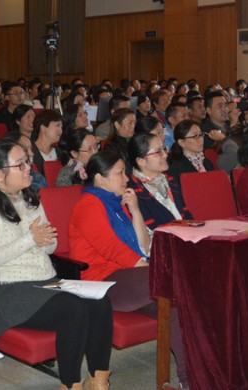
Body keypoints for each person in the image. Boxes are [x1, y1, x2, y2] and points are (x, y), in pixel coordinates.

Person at [0, 140, 113, 389]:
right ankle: (71, 384)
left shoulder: (30, 198)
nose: (28, 169)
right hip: (6, 290)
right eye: (20, 164)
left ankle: (98, 381)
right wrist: (30, 239)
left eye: (27, 162)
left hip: (43, 281)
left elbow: (50, 247)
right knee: (73, 309)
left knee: (100, 300)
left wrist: (40, 241)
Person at [68, 148, 188, 388]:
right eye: (120, 173)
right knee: (180, 283)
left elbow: (143, 245)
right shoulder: (89, 205)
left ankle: (191, 379)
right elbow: (113, 250)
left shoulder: (117, 202)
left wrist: (134, 210)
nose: (126, 179)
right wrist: (152, 270)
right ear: (100, 178)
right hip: (103, 282)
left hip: (130, 278)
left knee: (177, 310)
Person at [127, 133, 191, 229]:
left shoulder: (171, 180)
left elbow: (186, 214)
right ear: (141, 161)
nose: (165, 155)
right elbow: (152, 229)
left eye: (164, 149)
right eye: (158, 152)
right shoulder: (133, 191)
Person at [30, 109, 63, 174]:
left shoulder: (60, 153)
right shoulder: (29, 151)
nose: (61, 131)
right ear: (43, 127)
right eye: (57, 125)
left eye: (62, 127)